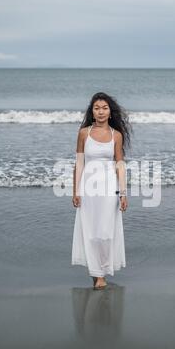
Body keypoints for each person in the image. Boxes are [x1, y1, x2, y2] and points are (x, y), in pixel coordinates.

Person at [71, 92, 132, 289]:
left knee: (105, 230)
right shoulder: (83, 133)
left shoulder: (116, 135)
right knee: (90, 230)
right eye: (97, 108)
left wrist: (123, 193)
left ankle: (103, 269)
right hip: (88, 188)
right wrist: (75, 191)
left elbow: (119, 164)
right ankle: (97, 274)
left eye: (104, 108)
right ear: (92, 111)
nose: (100, 111)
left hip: (109, 187)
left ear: (110, 112)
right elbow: (79, 164)